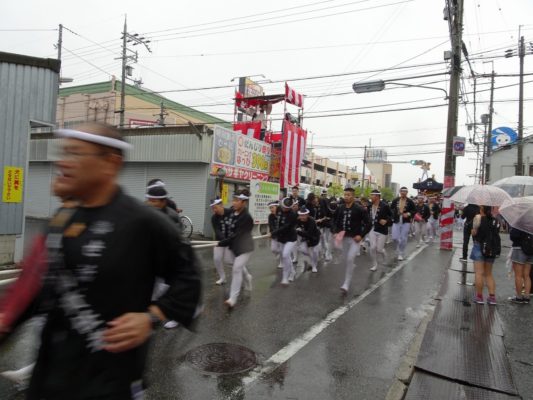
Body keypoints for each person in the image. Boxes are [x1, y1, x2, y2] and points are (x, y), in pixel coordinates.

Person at [4, 122, 202, 399]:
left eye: (75, 153)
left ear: (110, 162)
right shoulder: (61, 220)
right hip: (50, 381)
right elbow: (32, 292)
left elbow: (189, 277)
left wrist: (151, 317)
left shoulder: (144, 223)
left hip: (110, 383)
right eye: (63, 152)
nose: (63, 162)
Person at [145, 184, 187, 330]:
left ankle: (178, 314)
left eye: (154, 200)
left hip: (170, 258)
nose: (150, 203)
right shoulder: (147, 213)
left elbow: (178, 238)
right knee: (155, 287)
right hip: (154, 258)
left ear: (162, 201)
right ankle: (155, 314)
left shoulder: (171, 215)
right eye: (149, 199)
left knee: (167, 287)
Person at [218, 190, 254, 308]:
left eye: (236, 200)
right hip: (233, 245)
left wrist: (223, 242)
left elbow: (237, 235)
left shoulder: (247, 218)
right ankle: (247, 277)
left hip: (244, 247)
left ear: (244, 202)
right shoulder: (233, 212)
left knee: (236, 269)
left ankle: (233, 298)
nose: (233, 202)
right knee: (230, 262)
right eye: (233, 200)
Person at [332, 186, 371, 294]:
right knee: (345, 259)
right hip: (343, 238)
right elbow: (334, 220)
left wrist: (361, 235)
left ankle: (346, 283)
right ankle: (350, 266)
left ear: (353, 196)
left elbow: (368, 223)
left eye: (348, 195)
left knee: (349, 259)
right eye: (345, 195)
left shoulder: (360, 209)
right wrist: (335, 231)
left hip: (355, 239)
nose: (346, 197)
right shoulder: (340, 208)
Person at [470, 205, 500, 305]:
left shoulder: (478, 218)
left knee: (479, 273)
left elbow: (474, 233)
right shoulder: (495, 220)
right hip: (491, 248)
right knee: (488, 274)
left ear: (482, 209)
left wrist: (473, 231)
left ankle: (479, 297)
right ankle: (492, 298)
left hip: (479, 246)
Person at [270, 197, 298, 286]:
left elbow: (285, 227)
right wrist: (273, 233)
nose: (285, 209)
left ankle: (285, 277)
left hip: (291, 238)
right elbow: (275, 221)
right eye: (284, 207)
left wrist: (274, 232)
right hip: (281, 238)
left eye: (287, 208)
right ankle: (292, 272)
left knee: (285, 255)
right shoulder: (279, 210)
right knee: (286, 257)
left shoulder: (293, 215)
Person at [367, 189, 392, 271]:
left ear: (377, 196)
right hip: (372, 229)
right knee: (372, 247)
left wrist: (386, 221)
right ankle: (375, 264)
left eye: (372, 195)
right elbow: (366, 216)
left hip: (382, 230)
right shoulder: (369, 206)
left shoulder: (385, 206)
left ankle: (384, 254)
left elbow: (392, 216)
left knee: (379, 249)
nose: (370, 197)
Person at [210, 198, 234, 285]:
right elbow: (217, 231)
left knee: (229, 261)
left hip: (230, 240)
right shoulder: (214, 218)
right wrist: (224, 240)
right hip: (219, 241)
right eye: (212, 208)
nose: (214, 210)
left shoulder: (231, 213)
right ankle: (222, 277)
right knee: (216, 259)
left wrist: (230, 239)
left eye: (215, 207)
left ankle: (241, 273)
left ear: (221, 205)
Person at [390, 187, 416, 261]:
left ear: (407, 192)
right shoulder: (395, 200)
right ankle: (397, 247)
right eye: (402, 191)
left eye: (405, 191)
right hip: (396, 220)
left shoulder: (410, 201)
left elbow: (414, 210)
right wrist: (394, 215)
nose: (403, 193)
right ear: (400, 192)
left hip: (406, 221)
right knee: (395, 237)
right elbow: (391, 209)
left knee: (403, 238)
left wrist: (408, 214)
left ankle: (401, 253)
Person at [508, 227, 532, 304]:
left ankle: (519, 297)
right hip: (531, 250)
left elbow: (513, 236)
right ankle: (527, 296)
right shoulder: (531, 222)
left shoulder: (520, 223)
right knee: (527, 275)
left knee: (518, 275)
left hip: (519, 249)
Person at [296, 207, 321, 273]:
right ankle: (312, 260)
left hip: (314, 237)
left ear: (307, 215)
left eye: (304, 215)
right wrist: (297, 230)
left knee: (315, 252)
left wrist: (298, 232)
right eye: (301, 215)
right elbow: (296, 228)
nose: (302, 217)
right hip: (305, 238)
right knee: (303, 250)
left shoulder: (311, 221)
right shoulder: (298, 220)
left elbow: (309, 233)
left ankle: (314, 266)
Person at [267, 201, 282, 269]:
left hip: (282, 236)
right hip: (274, 235)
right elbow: (271, 226)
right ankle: (282, 254)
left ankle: (281, 262)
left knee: (282, 248)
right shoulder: (270, 216)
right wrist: (272, 233)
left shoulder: (282, 215)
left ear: (277, 207)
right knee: (273, 249)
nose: (271, 209)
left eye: (272, 207)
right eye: (270, 208)